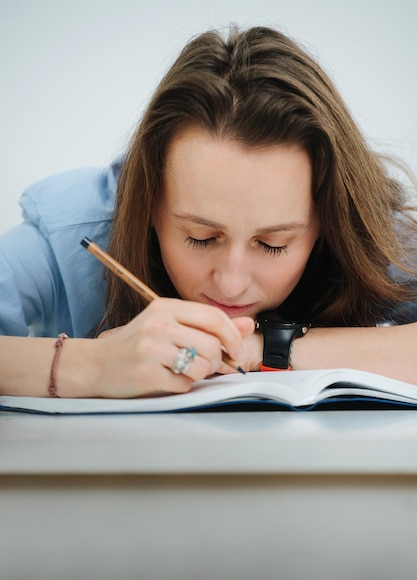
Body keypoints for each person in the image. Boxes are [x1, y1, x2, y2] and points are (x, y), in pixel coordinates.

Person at [1, 24, 417, 399]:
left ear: (324, 221)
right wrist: (90, 365)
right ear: (149, 203)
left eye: (274, 243)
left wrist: (265, 348)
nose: (231, 284)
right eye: (200, 237)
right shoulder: (71, 228)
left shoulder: (372, 238)